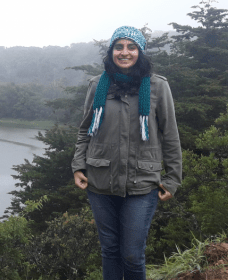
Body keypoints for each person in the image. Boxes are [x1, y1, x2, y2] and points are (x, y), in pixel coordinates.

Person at [71, 26, 182, 280]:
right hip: (100, 180)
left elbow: (171, 136)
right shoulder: (97, 85)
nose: (124, 52)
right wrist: (78, 166)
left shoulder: (157, 86)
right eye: (118, 47)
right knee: (110, 251)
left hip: (142, 182)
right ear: (111, 51)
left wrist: (173, 179)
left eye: (131, 47)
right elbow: (85, 129)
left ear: (140, 51)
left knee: (132, 254)